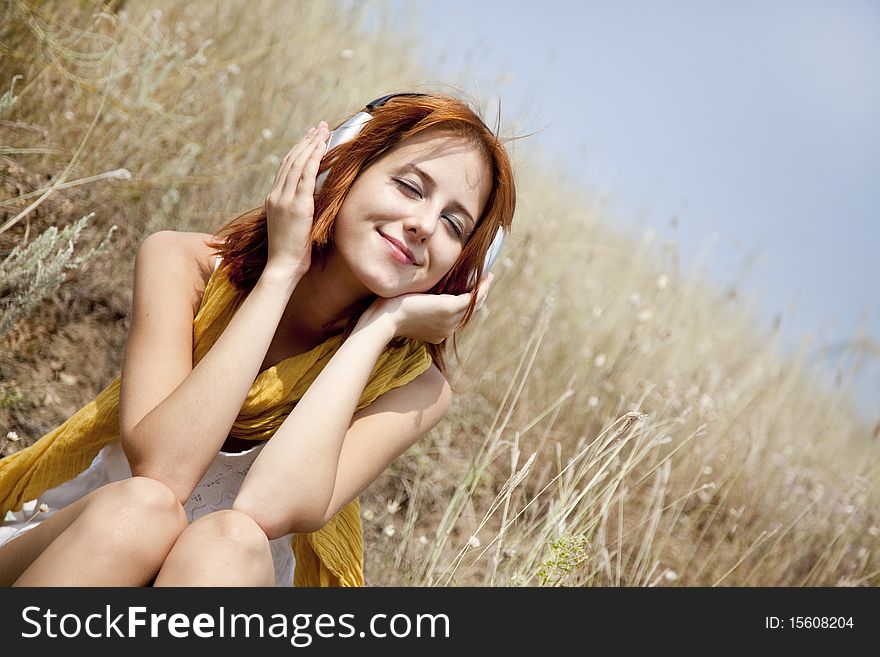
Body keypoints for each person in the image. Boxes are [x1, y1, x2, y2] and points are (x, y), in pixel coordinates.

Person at [0, 92, 517, 586]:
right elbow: (164, 470)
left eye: (454, 223)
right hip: (84, 549)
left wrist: (377, 329)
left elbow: (267, 507)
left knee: (230, 542)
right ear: (339, 164)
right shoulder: (185, 264)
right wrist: (282, 271)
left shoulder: (420, 389)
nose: (425, 224)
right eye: (409, 186)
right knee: (142, 511)